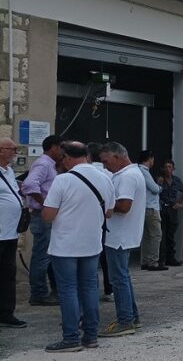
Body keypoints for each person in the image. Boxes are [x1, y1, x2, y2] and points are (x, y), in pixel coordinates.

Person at [42, 141, 115, 352]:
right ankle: (91, 336)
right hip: (92, 243)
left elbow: (48, 215)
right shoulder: (105, 178)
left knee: (68, 291)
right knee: (90, 288)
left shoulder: (62, 180)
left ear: (67, 158)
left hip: (65, 245)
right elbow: (109, 212)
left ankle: (71, 338)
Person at [99, 142, 145, 337]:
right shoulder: (130, 174)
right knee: (122, 277)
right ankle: (132, 316)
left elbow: (124, 205)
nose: (104, 165)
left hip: (119, 235)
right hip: (121, 234)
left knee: (118, 279)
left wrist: (103, 204)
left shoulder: (127, 177)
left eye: (106, 161)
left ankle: (125, 320)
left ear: (117, 157)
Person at [22, 134, 63, 306]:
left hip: (45, 216)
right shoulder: (44, 163)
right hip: (42, 216)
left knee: (49, 254)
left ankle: (53, 291)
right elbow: (30, 185)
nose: (62, 152)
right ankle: (38, 293)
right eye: (61, 148)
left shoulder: (50, 165)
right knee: (42, 255)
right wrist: (46, 204)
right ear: (53, 147)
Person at [0, 138, 26, 328]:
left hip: (9, 233)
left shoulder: (8, 172)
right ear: (1, 151)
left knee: (8, 274)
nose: (16, 152)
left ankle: (6, 313)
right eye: (12, 149)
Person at [86, 142, 112, 302]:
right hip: (105, 221)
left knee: (89, 259)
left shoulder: (78, 174)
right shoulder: (108, 174)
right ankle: (109, 289)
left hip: (86, 223)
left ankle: (90, 291)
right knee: (105, 257)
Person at [138, 150, 165, 271]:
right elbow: (154, 188)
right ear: (149, 159)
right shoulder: (144, 171)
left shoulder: (140, 171)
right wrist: (160, 186)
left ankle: (145, 261)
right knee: (155, 235)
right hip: (151, 207)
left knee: (146, 236)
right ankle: (153, 262)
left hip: (144, 207)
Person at [157, 160, 183, 267]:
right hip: (162, 209)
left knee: (170, 235)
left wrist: (181, 202)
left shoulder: (177, 180)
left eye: (170, 167)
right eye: (165, 167)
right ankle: (161, 259)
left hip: (172, 209)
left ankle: (171, 258)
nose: (168, 169)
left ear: (173, 169)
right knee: (161, 235)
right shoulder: (160, 180)